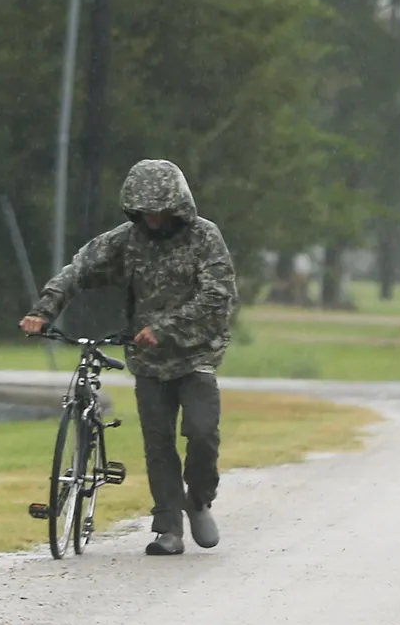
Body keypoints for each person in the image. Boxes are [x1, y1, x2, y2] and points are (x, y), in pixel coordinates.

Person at [19, 159, 239, 556]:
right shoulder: (127, 240)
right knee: (158, 443)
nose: (152, 219)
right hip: (148, 360)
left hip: (196, 354)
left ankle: (200, 500)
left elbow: (217, 295)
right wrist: (43, 310)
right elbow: (79, 269)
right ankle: (168, 528)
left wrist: (165, 328)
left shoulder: (205, 237)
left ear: (177, 206)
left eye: (159, 210)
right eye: (144, 212)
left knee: (202, 434)